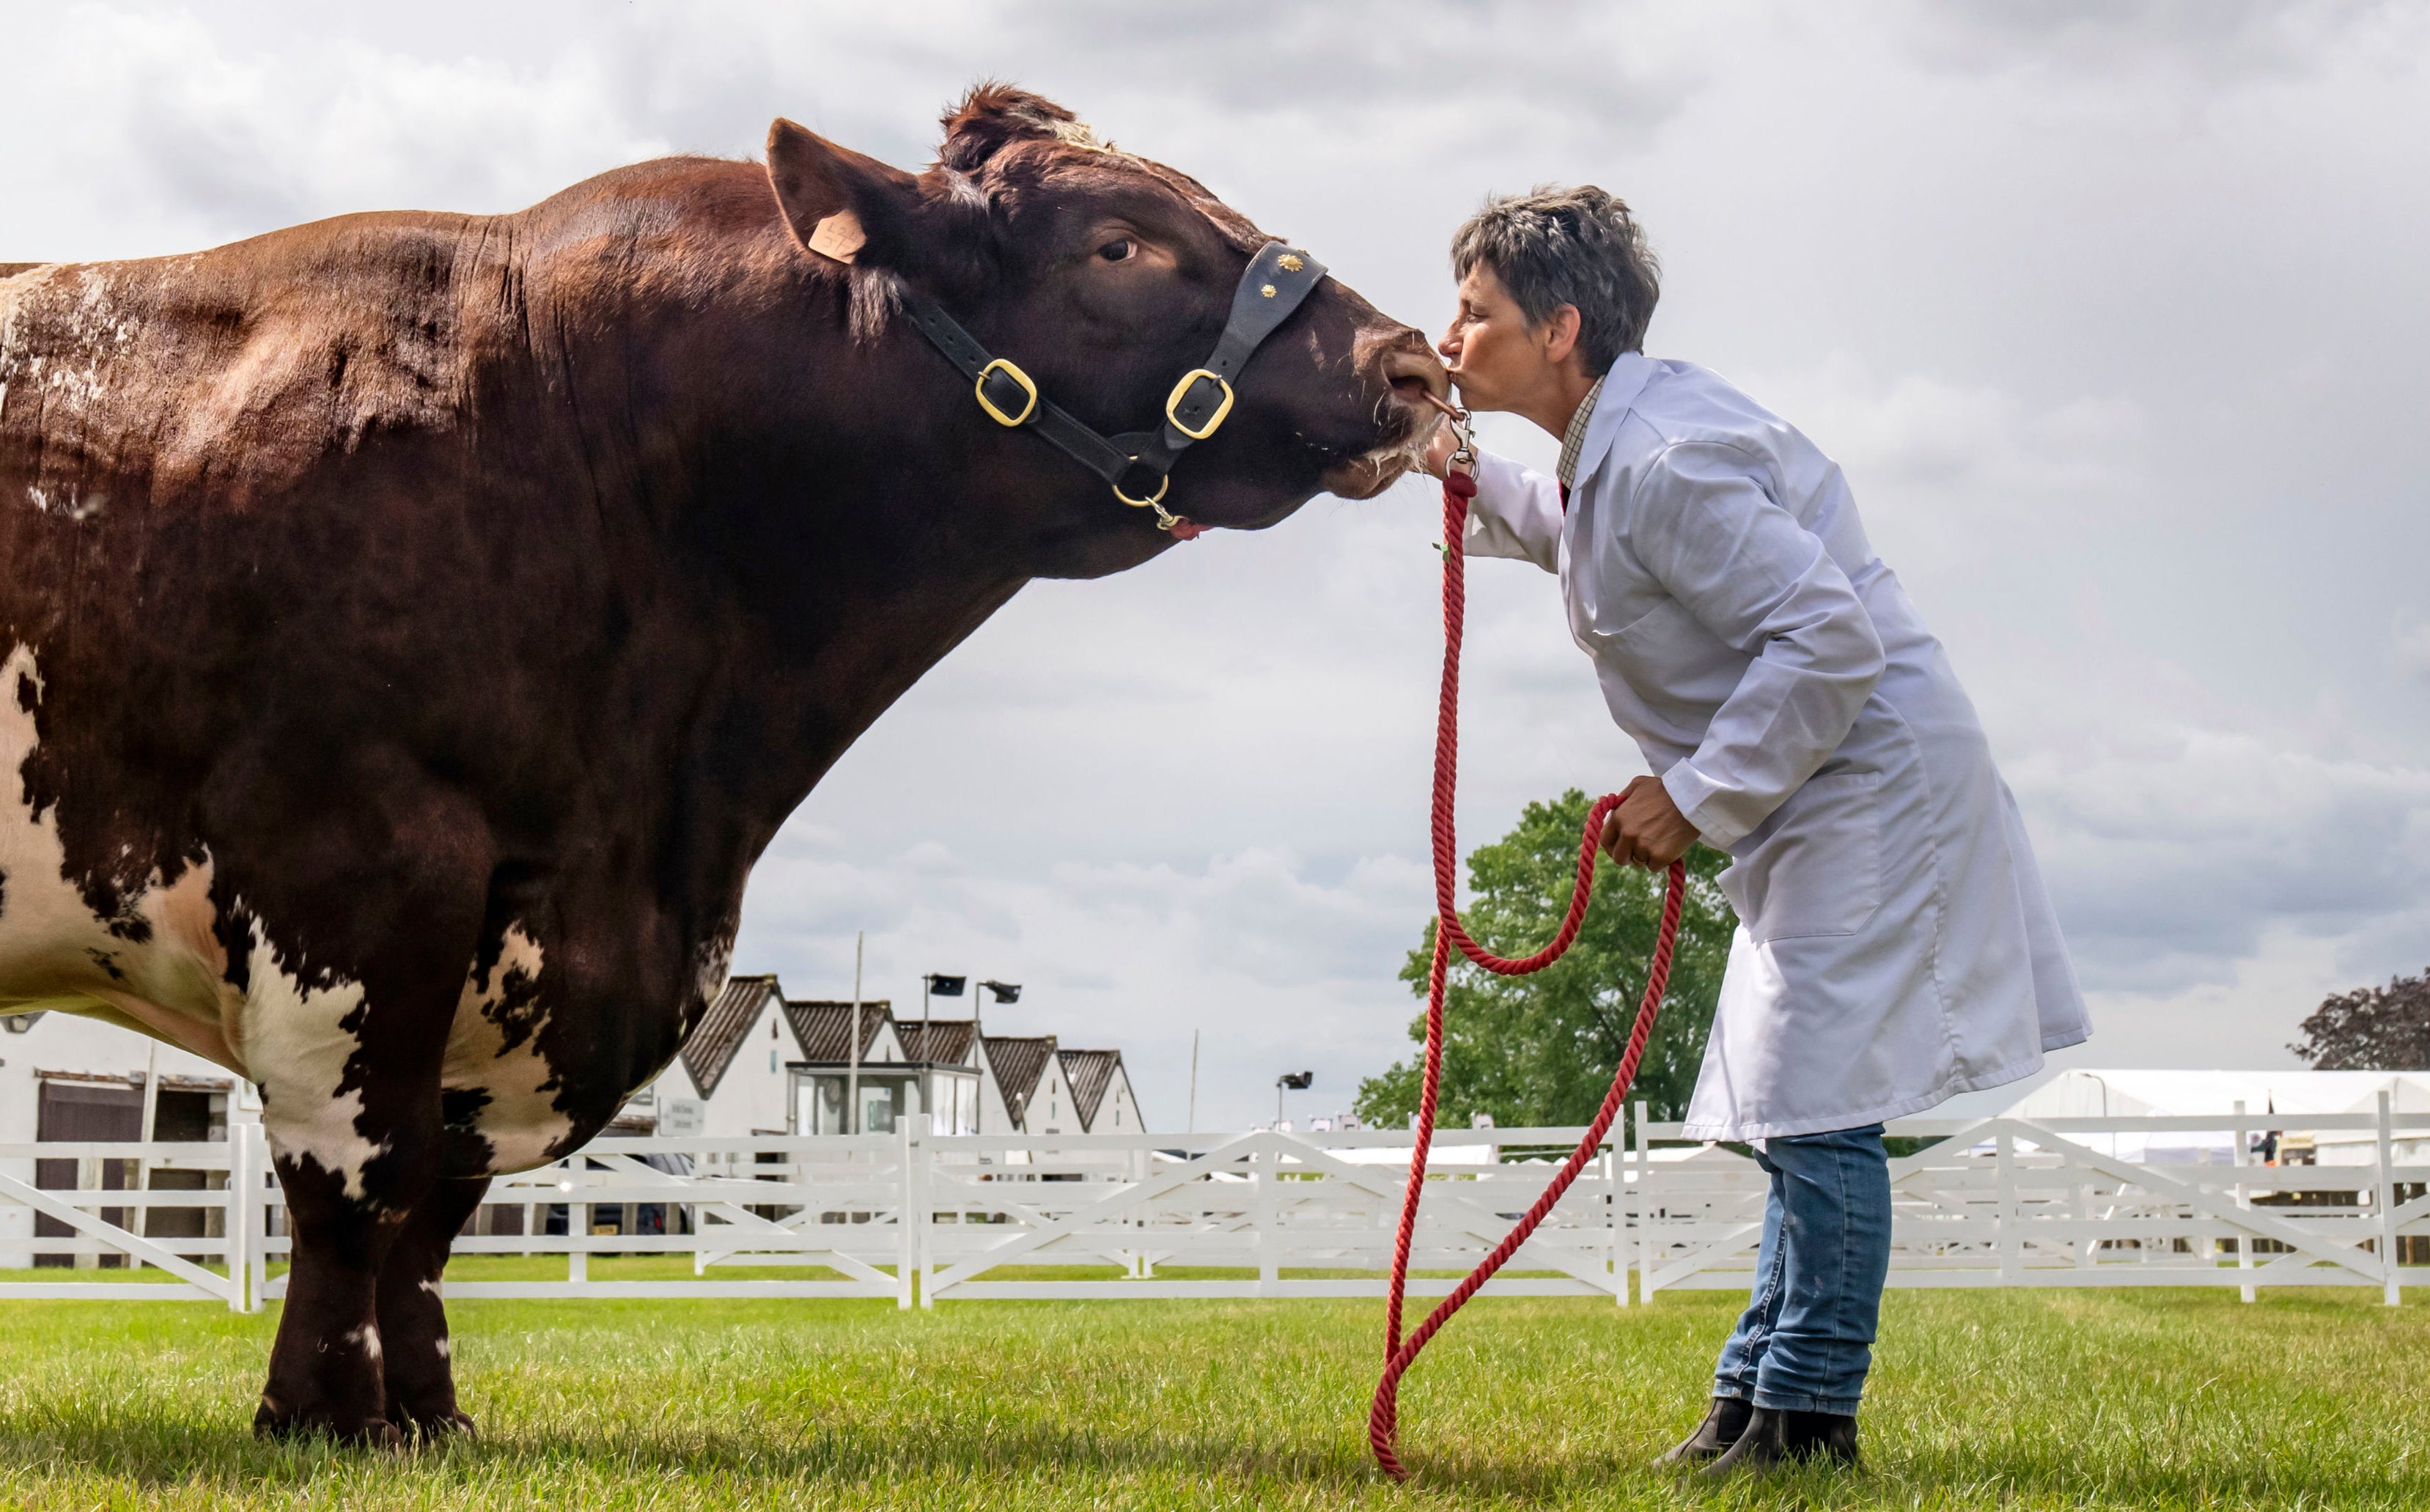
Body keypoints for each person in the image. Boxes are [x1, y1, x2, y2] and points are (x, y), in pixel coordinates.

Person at [1424, 186, 2090, 1476]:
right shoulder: (1622, 450)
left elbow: (1826, 636)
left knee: (1820, 1103)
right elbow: (1584, 535)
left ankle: (1807, 1421)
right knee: (1796, 1102)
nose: (1452, 338)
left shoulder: (1667, 457)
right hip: (1816, 782)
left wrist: (1695, 793)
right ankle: (1754, 1404)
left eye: (1474, 314)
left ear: (1559, 329)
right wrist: (1451, 465)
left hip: (1865, 779)